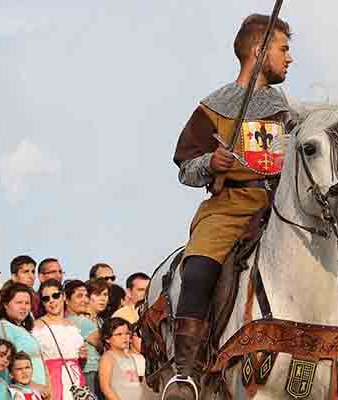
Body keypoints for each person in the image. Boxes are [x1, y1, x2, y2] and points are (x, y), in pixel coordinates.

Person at [170, 12, 294, 382]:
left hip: (277, 210)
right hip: (228, 210)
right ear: (258, 51)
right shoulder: (213, 109)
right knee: (197, 272)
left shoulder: (285, 109)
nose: (289, 58)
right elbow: (185, 169)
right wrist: (211, 161)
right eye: (283, 49)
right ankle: (185, 372)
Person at [0, 282, 49, 394]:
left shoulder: (22, 328)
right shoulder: (3, 328)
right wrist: (34, 386)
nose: (24, 307)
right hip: (23, 392)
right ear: (6, 304)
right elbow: (7, 365)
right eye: (19, 302)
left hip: (36, 392)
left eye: (27, 303)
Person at [34, 279, 87, 400]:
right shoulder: (36, 326)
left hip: (76, 381)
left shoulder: (73, 326)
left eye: (55, 296)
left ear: (63, 296)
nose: (51, 301)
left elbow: (79, 362)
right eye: (46, 299)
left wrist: (83, 358)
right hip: (51, 381)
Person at [70, 278, 107, 398]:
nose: (103, 298)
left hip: (99, 371)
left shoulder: (100, 321)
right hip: (90, 372)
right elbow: (104, 345)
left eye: (105, 294)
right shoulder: (81, 320)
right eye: (97, 294)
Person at [99, 317, 143, 400]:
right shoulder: (108, 358)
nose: (125, 337)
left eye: (127, 333)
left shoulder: (130, 357)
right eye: (119, 334)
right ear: (107, 338)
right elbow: (105, 388)